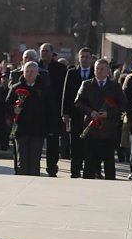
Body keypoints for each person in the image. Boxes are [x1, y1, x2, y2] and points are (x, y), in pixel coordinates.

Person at [74, 58, 127, 180]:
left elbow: (123, 104)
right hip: (91, 128)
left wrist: (109, 113)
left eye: (102, 69)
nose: (99, 71)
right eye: (97, 69)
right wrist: (90, 112)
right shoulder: (87, 85)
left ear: (108, 71)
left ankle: (110, 183)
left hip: (108, 129)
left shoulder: (115, 86)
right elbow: (78, 103)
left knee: (109, 161)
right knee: (89, 161)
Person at [6, 62, 57, 176]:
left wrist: (51, 128)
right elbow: (6, 105)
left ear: (37, 73)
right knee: (21, 161)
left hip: (38, 130)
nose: (29, 74)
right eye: (27, 71)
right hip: (21, 129)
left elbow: (51, 109)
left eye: (32, 71)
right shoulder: (16, 88)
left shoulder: (44, 89)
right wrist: (14, 109)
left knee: (35, 162)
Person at [62, 47, 95, 178]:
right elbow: (66, 94)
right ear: (78, 58)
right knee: (75, 142)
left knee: (90, 143)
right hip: (75, 114)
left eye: (87, 57)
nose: (85, 59)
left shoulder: (96, 72)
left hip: (91, 114)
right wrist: (65, 113)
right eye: (82, 57)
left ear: (91, 58)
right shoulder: (71, 73)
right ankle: (75, 170)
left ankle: (90, 171)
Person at [39, 43, 68, 177]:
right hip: (38, 109)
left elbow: (65, 90)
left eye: (47, 51)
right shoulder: (35, 66)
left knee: (53, 140)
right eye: (42, 51)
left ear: (52, 53)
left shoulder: (60, 68)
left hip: (54, 109)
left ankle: (52, 166)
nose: (44, 53)